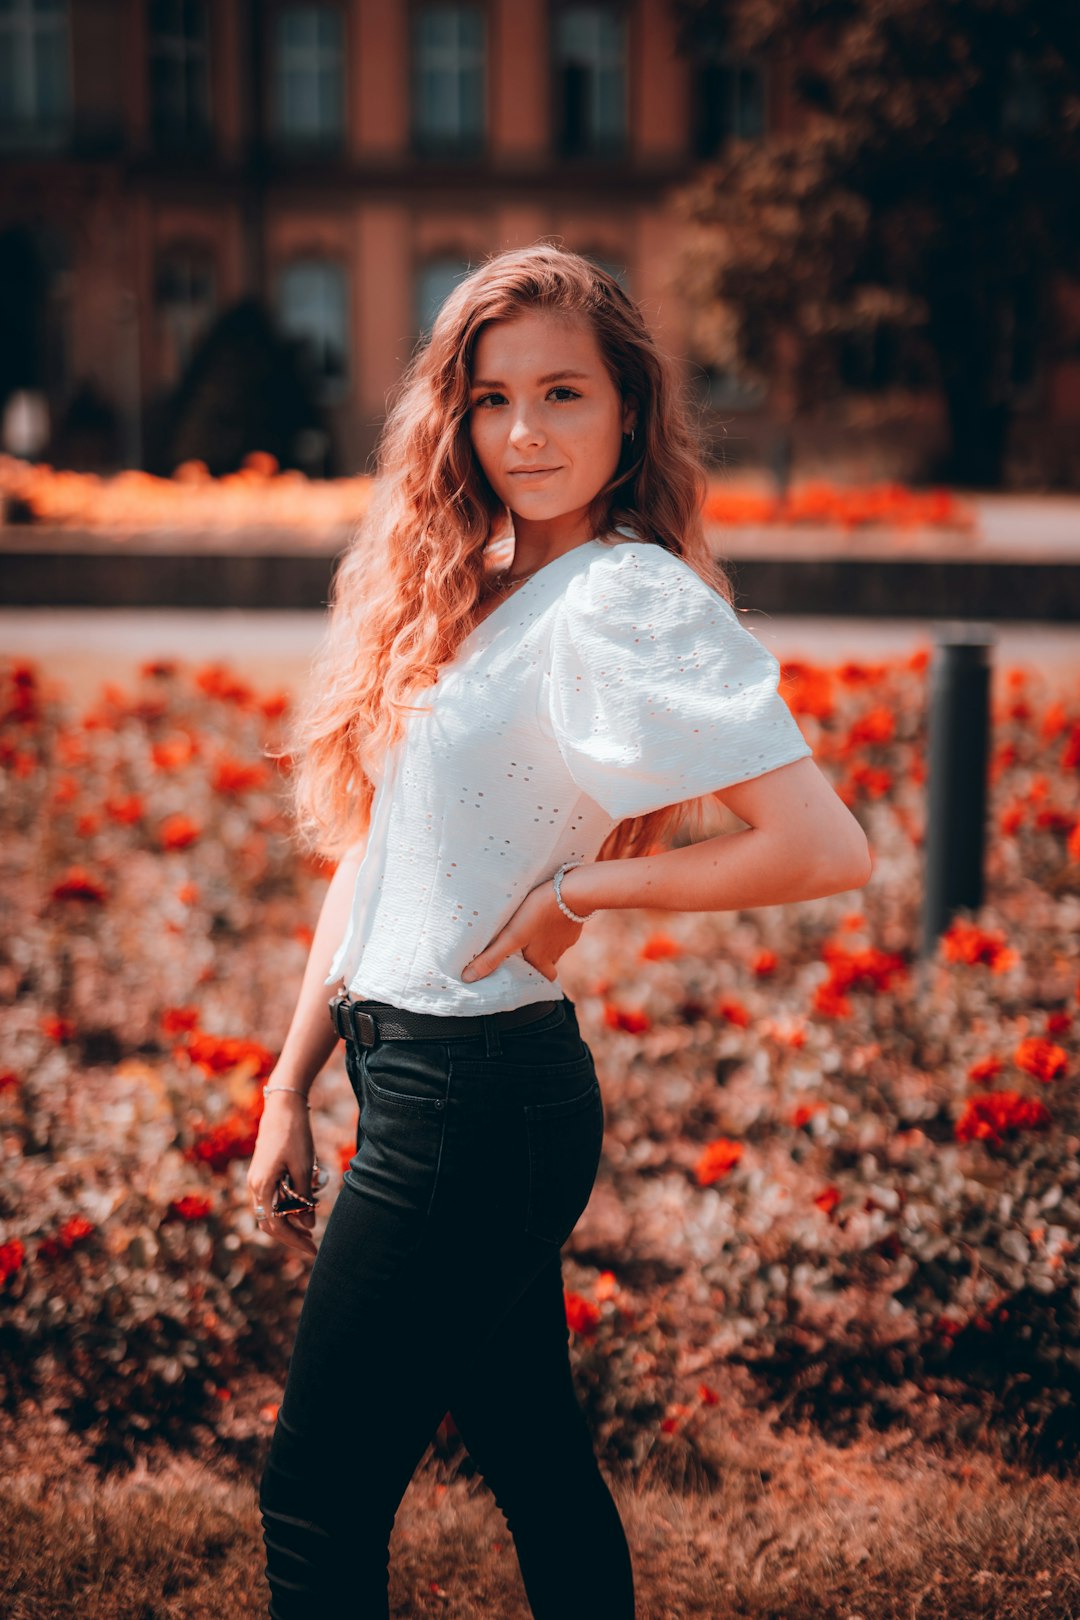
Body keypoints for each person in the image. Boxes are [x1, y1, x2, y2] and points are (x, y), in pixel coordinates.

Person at [248, 242, 872, 1617]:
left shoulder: (621, 597)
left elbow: (826, 848)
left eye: (563, 396)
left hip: (475, 1102)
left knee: (314, 1497)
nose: (523, 433)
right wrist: (290, 1081)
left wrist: (584, 892)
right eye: (489, 398)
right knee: (535, 1463)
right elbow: (372, 858)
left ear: (630, 413)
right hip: (427, 1082)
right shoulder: (466, 587)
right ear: (451, 415)